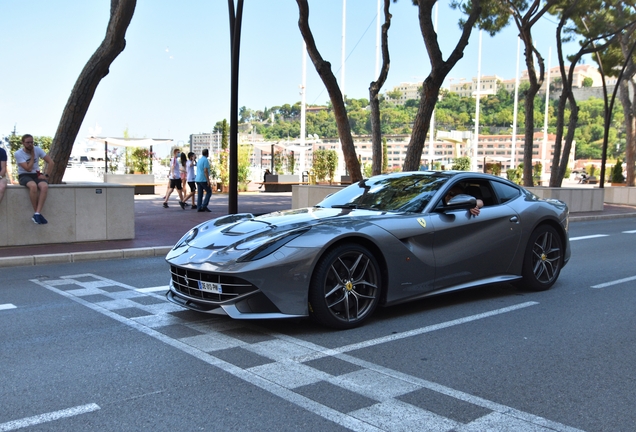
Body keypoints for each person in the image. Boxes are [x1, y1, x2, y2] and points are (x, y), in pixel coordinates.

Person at [14, 134, 55, 224]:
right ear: (23, 143)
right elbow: (28, 168)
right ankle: (36, 213)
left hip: (36, 174)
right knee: (33, 186)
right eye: (28, 142)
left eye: (32, 142)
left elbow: (51, 162)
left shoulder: (38, 149)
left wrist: (46, 175)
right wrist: (32, 156)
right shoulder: (18, 153)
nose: (30, 144)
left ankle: (37, 213)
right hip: (24, 175)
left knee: (44, 186)